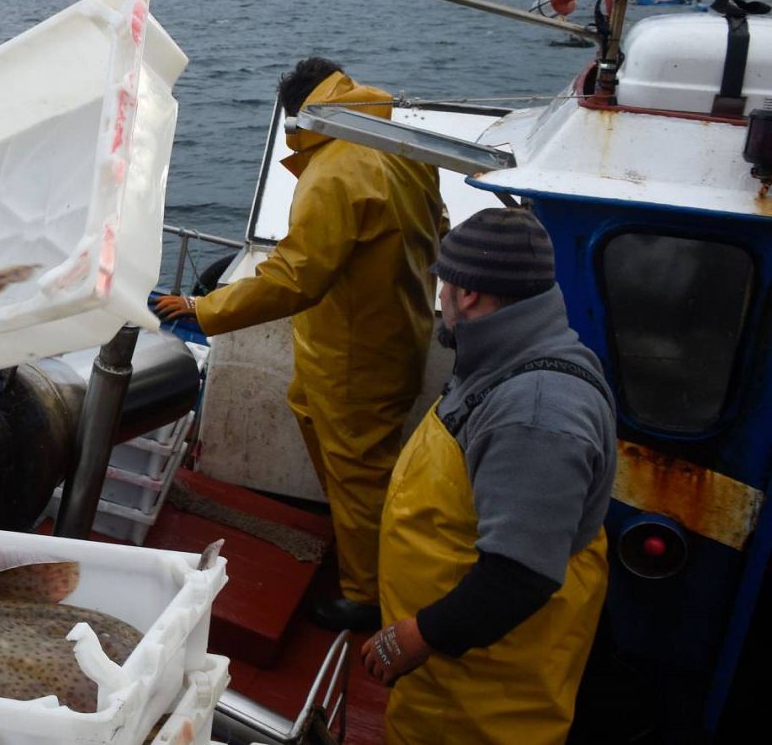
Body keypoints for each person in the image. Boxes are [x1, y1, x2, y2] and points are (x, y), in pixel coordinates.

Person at [154, 57, 444, 631]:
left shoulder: (337, 170)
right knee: (317, 422)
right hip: (387, 332)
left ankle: (367, 596)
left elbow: (294, 277)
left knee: (359, 471)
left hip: (355, 354)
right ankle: (359, 545)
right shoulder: (400, 145)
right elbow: (439, 223)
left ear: (303, 114)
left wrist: (201, 307)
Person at [360, 207, 615, 744]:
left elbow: (519, 574)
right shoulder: (504, 356)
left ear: (469, 295)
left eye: (444, 283)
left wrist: (416, 634)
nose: (441, 296)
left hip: (482, 692)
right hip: (454, 669)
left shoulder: (537, 410)